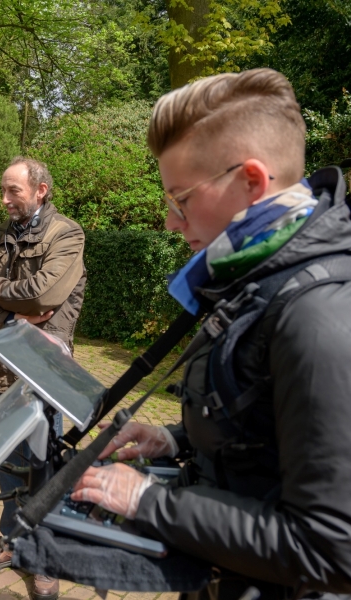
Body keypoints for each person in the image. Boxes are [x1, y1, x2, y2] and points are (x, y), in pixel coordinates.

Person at [71, 69, 351, 598]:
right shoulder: (260, 278)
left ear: (250, 180)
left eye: (180, 199)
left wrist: (147, 502)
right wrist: (174, 439)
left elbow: (330, 549)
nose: (173, 223)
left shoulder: (319, 314)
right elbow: (268, 433)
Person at [0, 157, 86, 600]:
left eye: (13, 190)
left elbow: (46, 293)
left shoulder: (66, 234)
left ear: (41, 190)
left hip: (39, 366)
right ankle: (13, 541)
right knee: (5, 458)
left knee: (42, 461)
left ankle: (44, 553)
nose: (5, 199)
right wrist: (15, 311)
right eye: (3, 190)